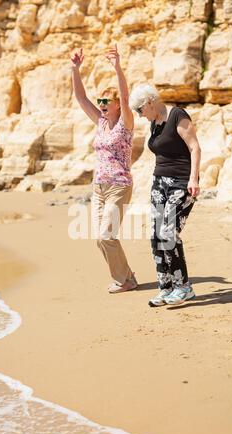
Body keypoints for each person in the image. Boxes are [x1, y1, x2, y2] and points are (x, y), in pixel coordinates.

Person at [70, 45, 137, 293]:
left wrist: (117, 67)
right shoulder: (99, 122)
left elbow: (127, 97)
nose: (101, 105)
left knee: (106, 236)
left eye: (106, 101)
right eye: (100, 101)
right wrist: (75, 69)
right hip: (99, 188)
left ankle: (125, 280)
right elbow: (80, 98)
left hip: (119, 186)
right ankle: (127, 274)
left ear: (117, 105)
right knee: (101, 239)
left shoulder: (125, 124)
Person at [129, 85, 201, 306]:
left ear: (150, 102)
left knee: (168, 232)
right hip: (159, 184)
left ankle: (184, 287)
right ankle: (166, 287)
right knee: (156, 235)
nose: (140, 115)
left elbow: (195, 148)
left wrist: (194, 179)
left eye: (140, 110)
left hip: (181, 183)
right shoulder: (154, 122)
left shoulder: (177, 115)